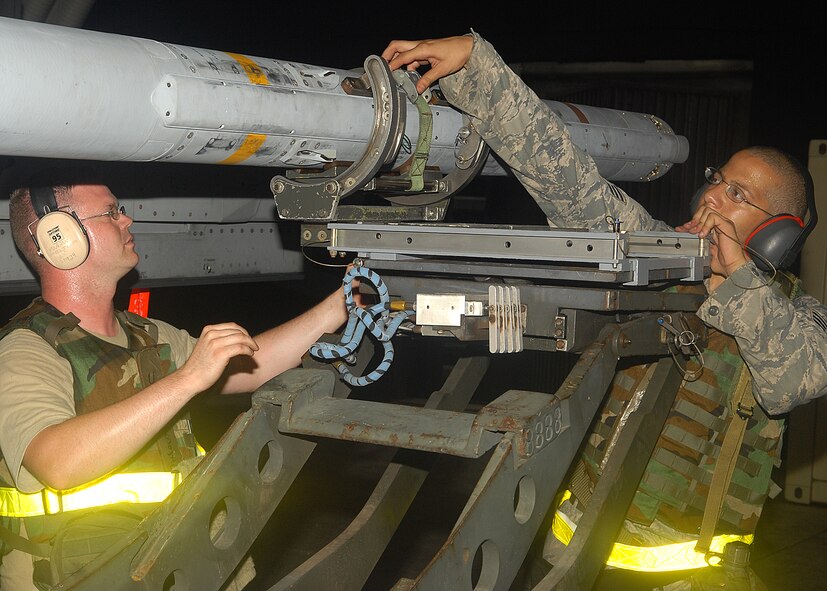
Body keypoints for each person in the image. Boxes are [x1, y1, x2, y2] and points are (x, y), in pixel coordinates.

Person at [382, 33, 827, 590]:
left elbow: (794, 379)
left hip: (688, 580)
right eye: (717, 180)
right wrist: (477, 66)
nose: (711, 196)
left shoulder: (797, 317)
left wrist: (735, 277)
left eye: (737, 195)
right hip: (569, 564)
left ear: (777, 233)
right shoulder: (656, 255)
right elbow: (567, 179)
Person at [0, 168, 351, 589]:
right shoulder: (26, 349)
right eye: (110, 212)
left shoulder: (146, 335)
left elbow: (253, 364)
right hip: (81, 577)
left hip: (175, 567)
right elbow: (58, 463)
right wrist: (188, 379)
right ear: (60, 237)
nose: (127, 219)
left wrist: (341, 305)